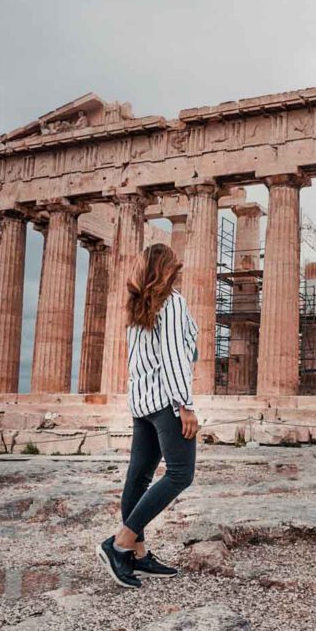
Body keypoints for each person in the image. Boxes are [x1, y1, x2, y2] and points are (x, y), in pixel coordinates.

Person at [96, 243, 199, 588]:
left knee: (138, 477)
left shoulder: (138, 309)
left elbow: (141, 362)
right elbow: (174, 358)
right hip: (168, 403)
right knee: (181, 474)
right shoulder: (172, 303)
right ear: (168, 270)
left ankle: (137, 556)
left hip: (143, 403)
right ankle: (120, 543)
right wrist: (185, 405)